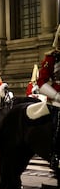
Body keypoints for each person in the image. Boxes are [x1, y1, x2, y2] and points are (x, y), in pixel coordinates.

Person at [37, 26, 60, 169]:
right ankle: (56, 155)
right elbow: (41, 82)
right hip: (57, 99)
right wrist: (56, 96)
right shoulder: (52, 58)